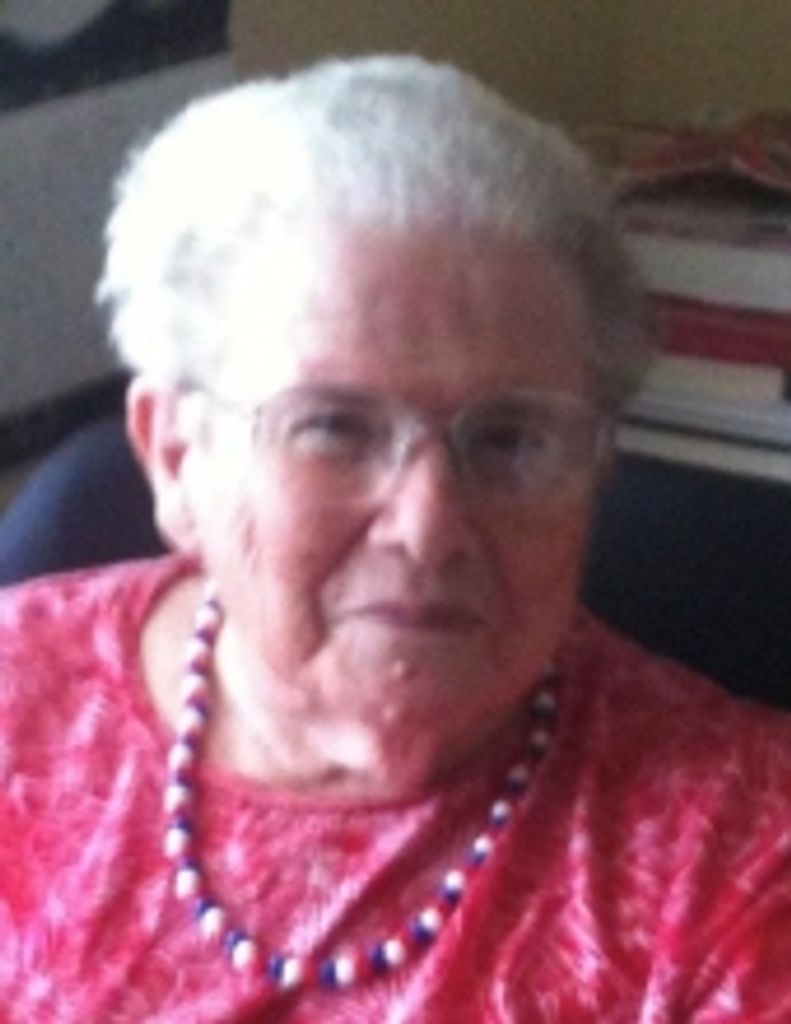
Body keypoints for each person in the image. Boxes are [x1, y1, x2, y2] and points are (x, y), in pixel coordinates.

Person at [1, 55, 790, 1023]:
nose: (427, 529)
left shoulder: (741, 848)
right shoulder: (15, 707)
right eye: (334, 427)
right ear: (175, 457)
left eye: (509, 439)